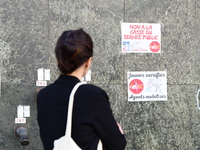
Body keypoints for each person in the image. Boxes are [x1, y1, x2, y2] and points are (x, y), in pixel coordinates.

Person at [37, 28, 127, 150]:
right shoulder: (92, 95)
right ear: (88, 61)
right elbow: (117, 145)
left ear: (59, 59)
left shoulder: (43, 95)